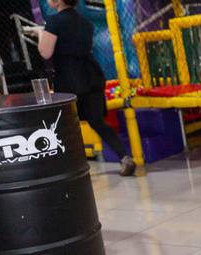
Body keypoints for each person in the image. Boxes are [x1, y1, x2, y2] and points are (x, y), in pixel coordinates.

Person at [33, 0, 136, 177]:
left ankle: (71, 167)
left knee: (66, 125)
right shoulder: (85, 22)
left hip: (69, 79)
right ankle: (124, 157)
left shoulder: (54, 21)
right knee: (97, 122)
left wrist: (40, 33)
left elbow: (45, 52)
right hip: (91, 75)